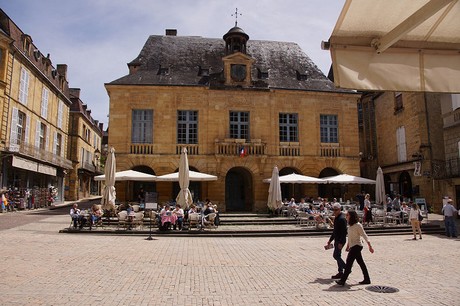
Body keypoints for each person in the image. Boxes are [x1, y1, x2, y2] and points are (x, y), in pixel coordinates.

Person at [336, 210, 374, 286]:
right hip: (353, 246)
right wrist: (347, 246)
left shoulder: (358, 225)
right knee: (361, 263)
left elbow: (364, 235)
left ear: (351, 216)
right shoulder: (350, 226)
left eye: (347, 215)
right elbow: (350, 238)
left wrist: (370, 246)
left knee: (349, 262)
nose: (346, 216)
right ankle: (367, 279)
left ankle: (343, 280)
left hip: (357, 246)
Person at [325, 203, 347, 279]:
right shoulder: (337, 218)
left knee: (336, 255)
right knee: (338, 255)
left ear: (340, 209)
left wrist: (341, 242)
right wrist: (330, 240)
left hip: (340, 240)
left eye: (336, 210)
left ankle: (346, 268)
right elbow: (335, 231)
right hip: (337, 239)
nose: (335, 211)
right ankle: (341, 272)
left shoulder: (342, 219)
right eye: (334, 210)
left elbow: (344, 232)